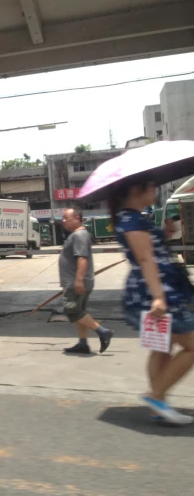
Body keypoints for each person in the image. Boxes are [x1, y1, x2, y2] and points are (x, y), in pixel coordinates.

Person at [112, 179, 194, 425]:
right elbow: (146, 259)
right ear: (137, 190)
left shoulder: (134, 217)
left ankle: (158, 406)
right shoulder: (132, 220)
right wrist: (159, 297)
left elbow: (152, 252)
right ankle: (156, 396)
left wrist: (166, 233)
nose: (155, 192)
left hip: (155, 288)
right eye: (151, 187)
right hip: (157, 290)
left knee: (162, 347)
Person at [59, 207, 113, 355]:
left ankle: (103, 332)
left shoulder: (79, 235)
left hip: (77, 281)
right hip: (76, 280)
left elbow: (82, 258)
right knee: (80, 312)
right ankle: (83, 343)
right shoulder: (77, 235)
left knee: (71, 309)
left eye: (66, 218)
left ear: (77, 218)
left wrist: (79, 280)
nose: (63, 221)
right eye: (62, 218)